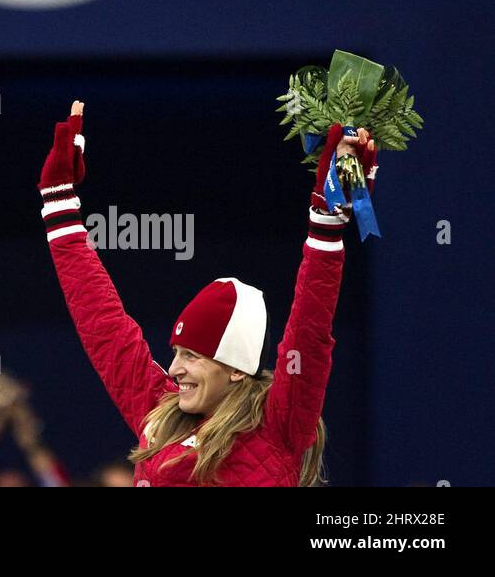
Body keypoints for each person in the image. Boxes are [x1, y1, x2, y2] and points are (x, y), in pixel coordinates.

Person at [36, 101, 371, 486]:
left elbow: (309, 330)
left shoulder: (280, 424)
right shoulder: (159, 413)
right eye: (178, 353)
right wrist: (58, 203)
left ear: (234, 369)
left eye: (192, 356)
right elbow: (103, 324)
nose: (175, 368)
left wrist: (327, 225)